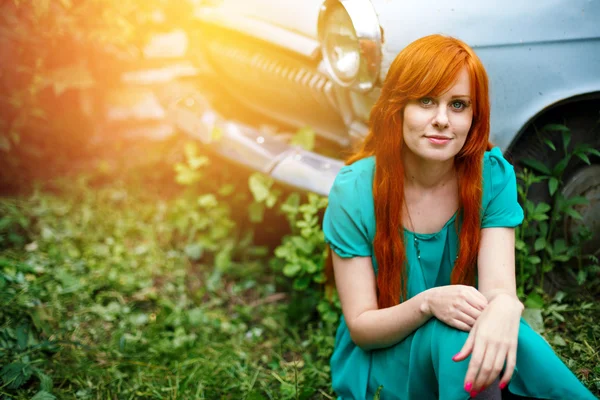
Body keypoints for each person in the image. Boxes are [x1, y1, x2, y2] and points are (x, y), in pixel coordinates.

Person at [322, 34, 596, 400]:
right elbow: (362, 326)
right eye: (425, 101)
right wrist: (428, 303)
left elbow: (499, 290)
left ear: (474, 115)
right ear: (397, 108)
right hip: (385, 352)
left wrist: (504, 308)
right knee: (459, 329)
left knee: (489, 325)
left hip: (460, 332)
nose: (441, 120)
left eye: (458, 105)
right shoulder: (354, 191)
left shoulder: (491, 176)